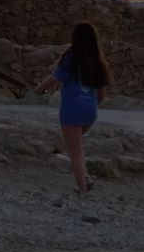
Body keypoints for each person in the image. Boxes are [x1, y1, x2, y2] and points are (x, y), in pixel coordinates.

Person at [35, 22, 111, 195]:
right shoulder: (96, 60)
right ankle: (85, 177)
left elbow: (55, 78)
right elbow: (101, 94)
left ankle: (82, 189)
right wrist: (92, 106)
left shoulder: (71, 56)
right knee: (78, 147)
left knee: (74, 151)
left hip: (72, 109)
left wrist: (39, 90)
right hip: (90, 111)